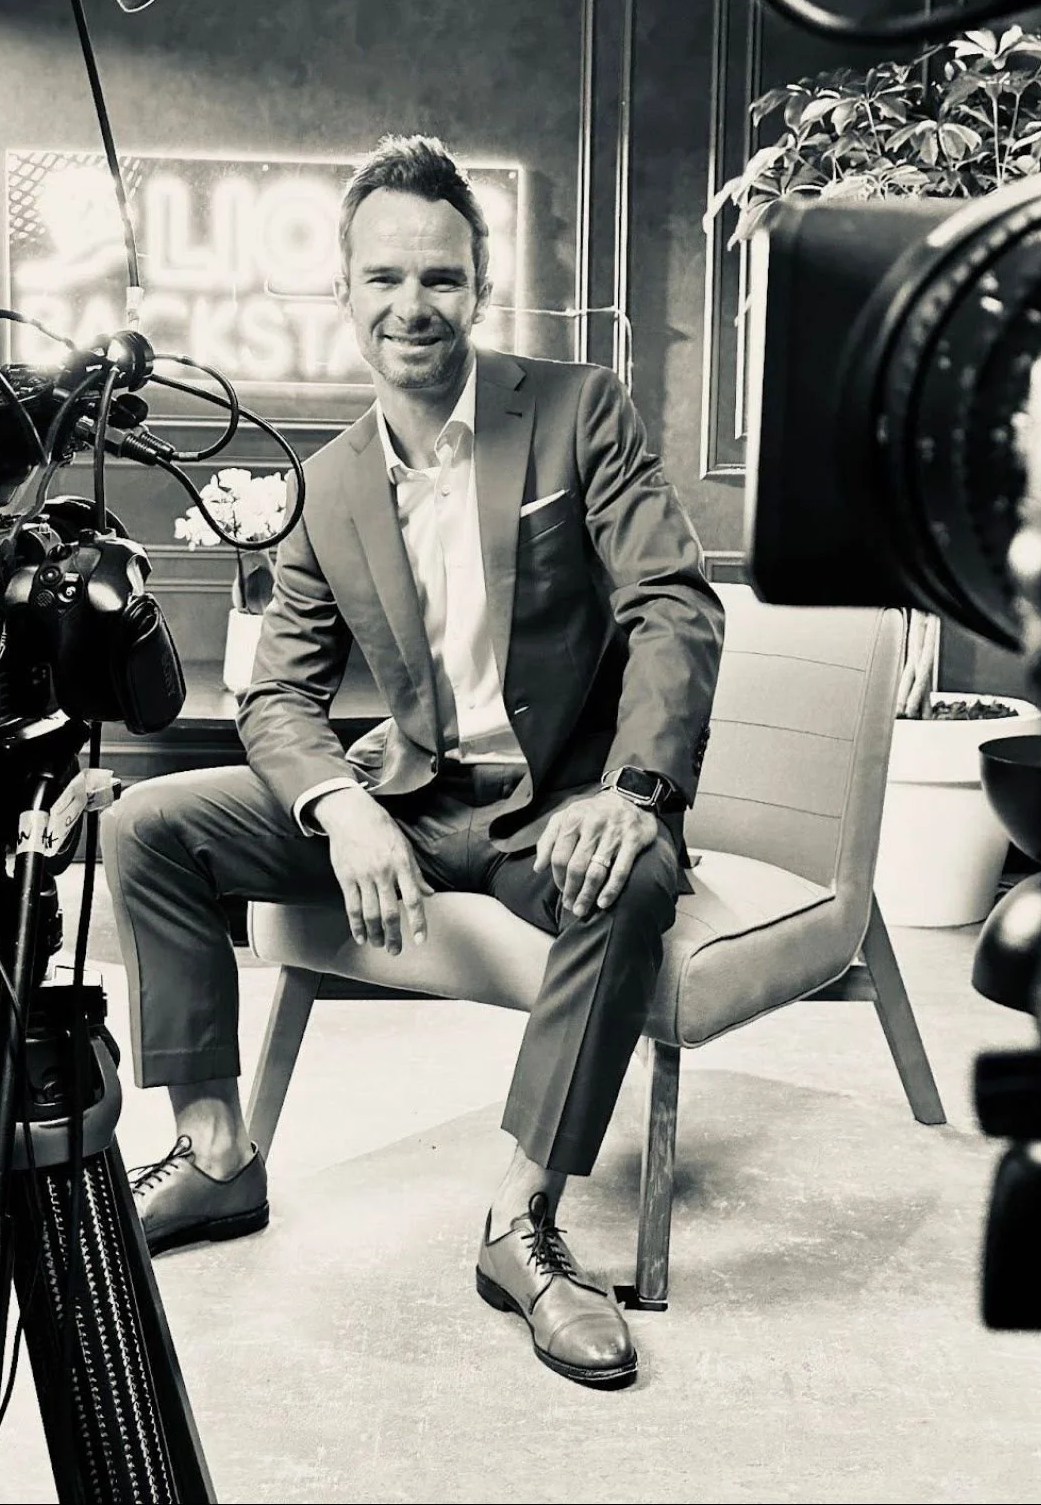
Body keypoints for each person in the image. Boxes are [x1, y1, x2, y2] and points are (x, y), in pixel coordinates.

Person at [102, 134, 724, 1390]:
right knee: (146, 825)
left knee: (632, 875)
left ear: (476, 283)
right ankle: (218, 1153)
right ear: (343, 293)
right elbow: (278, 688)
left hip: (556, 804)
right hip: (412, 792)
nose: (411, 306)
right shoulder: (327, 483)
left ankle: (519, 1224)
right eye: (383, 278)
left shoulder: (573, 408)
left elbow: (673, 603)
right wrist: (339, 805)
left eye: (437, 277)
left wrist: (634, 789)